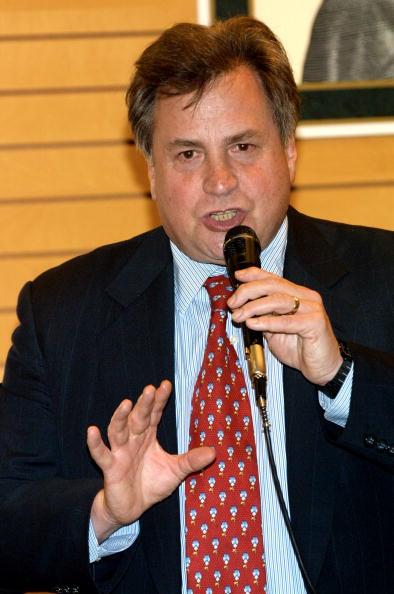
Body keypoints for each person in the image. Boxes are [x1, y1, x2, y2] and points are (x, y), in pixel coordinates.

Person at [0, 16, 393, 594]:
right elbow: (10, 523)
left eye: (242, 146)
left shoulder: (381, 278)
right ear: (151, 171)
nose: (220, 181)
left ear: (288, 151)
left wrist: (342, 377)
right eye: (187, 154)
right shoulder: (61, 313)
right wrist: (105, 512)